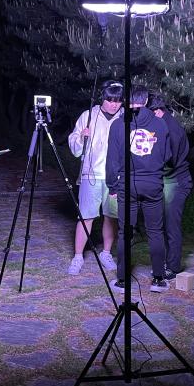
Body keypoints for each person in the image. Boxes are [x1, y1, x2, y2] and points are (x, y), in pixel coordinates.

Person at [106, 85, 171, 293]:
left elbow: (112, 160)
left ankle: (122, 281)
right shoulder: (160, 124)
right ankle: (158, 279)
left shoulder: (118, 125)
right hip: (153, 184)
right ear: (146, 101)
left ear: (126, 101)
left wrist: (112, 185)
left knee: (125, 233)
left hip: (127, 185)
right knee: (155, 231)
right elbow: (167, 155)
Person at [66, 81, 123, 275]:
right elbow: (74, 146)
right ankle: (78, 256)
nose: (114, 104)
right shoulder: (88, 115)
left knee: (111, 216)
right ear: (102, 98)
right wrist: (81, 137)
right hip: (91, 174)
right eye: (110, 100)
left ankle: (106, 253)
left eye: (118, 100)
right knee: (85, 217)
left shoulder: (124, 117)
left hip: (115, 177)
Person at [147, 93, 193, 280]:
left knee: (172, 226)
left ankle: (172, 268)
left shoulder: (171, 129)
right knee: (163, 225)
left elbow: (170, 161)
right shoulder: (161, 124)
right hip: (168, 181)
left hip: (177, 182)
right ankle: (164, 262)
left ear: (157, 111)